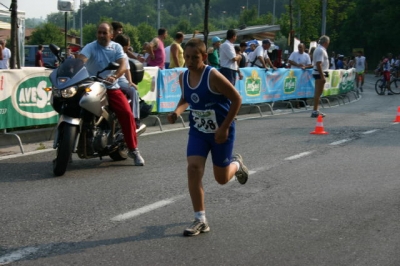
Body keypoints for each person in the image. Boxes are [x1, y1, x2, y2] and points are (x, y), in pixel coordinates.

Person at [167, 38, 249, 237]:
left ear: (204, 57)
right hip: (199, 131)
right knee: (193, 168)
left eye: (195, 57)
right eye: (186, 57)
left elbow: (236, 99)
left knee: (221, 179)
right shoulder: (183, 77)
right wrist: (176, 112)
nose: (190, 61)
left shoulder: (213, 75)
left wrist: (224, 127)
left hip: (221, 132)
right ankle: (200, 219)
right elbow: (186, 98)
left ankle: (236, 164)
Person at [77, 22, 145, 165]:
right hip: (91, 84)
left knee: (126, 113)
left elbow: (122, 65)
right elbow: (81, 60)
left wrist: (115, 76)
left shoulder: (117, 47)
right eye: (99, 32)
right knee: (70, 102)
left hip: (110, 86)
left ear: (111, 35)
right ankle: (65, 147)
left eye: (104, 33)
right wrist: (72, 66)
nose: (101, 35)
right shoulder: (90, 46)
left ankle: (133, 149)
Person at [113, 34, 147, 135]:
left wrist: (130, 82)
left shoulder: (123, 56)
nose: (129, 48)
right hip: (107, 79)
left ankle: (135, 118)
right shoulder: (109, 52)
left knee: (133, 90)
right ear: (123, 46)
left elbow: (127, 69)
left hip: (120, 80)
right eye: (128, 45)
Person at [311, 35, 330, 118]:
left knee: (318, 93)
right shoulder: (320, 50)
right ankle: (315, 111)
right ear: (326, 42)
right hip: (319, 73)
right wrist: (322, 76)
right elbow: (319, 63)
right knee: (318, 93)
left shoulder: (319, 49)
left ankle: (316, 110)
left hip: (318, 72)